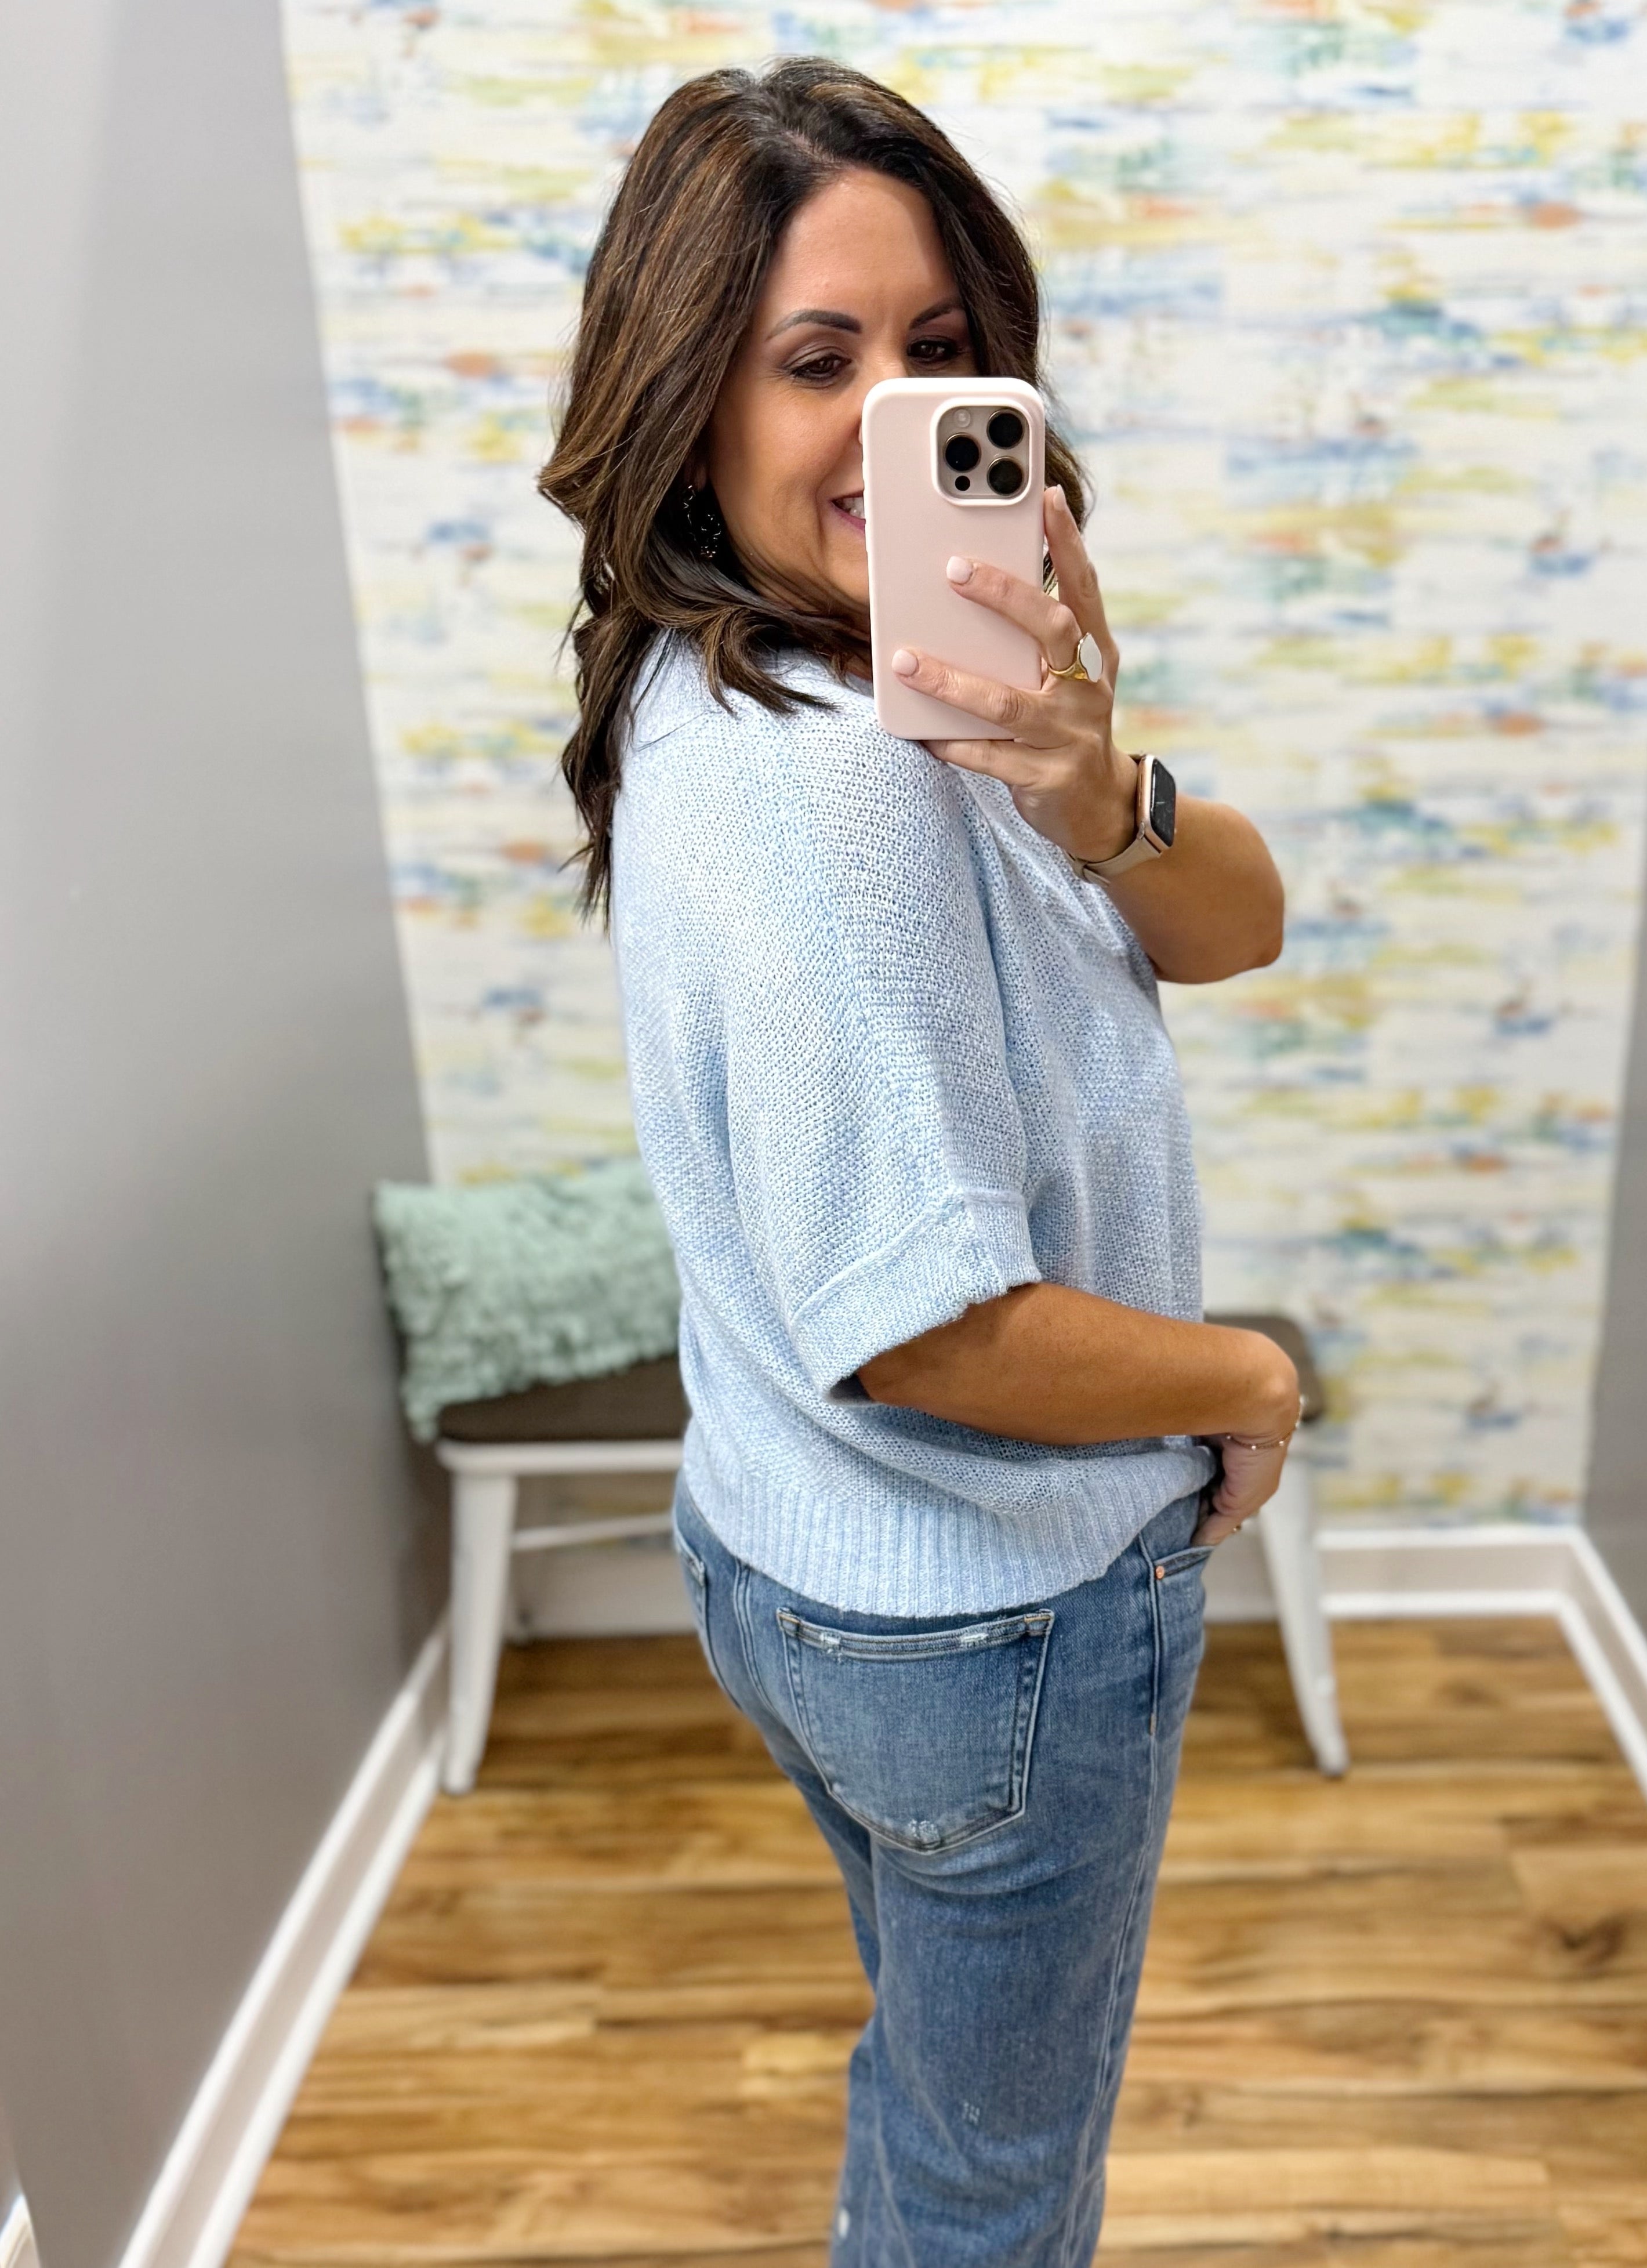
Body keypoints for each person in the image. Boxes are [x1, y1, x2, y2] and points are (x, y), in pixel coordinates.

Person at [540, 57, 1300, 2267]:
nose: (895, 414)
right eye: (817, 361)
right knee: (998, 2187)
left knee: (943, 2094)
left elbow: (1237, 926)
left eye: (941, 350)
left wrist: (1093, 784)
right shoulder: (834, 782)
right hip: (987, 1606)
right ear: (690, 395)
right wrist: (1246, 1382)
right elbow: (927, 1329)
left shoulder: (846, 688)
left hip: (803, 1551)